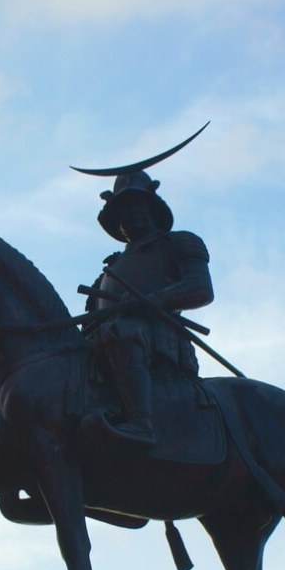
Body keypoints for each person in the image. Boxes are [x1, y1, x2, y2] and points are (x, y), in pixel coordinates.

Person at [83, 170, 213, 448]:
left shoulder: (179, 242)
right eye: (123, 213)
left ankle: (141, 421)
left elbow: (200, 288)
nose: (131, 216)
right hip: (104, 343)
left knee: (123, 330)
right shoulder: (110, 269)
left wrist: (155, 300)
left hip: (157, 339)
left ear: (152, 209)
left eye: (137, 207)